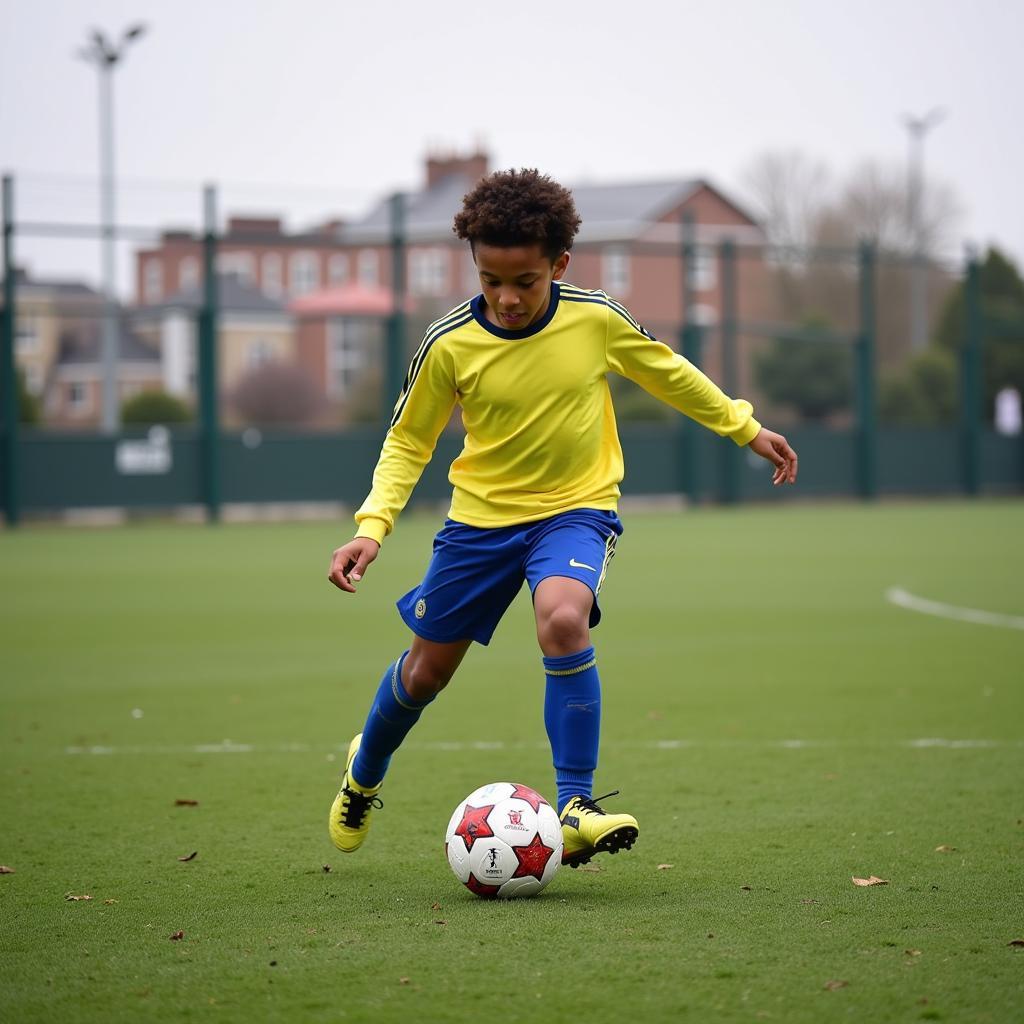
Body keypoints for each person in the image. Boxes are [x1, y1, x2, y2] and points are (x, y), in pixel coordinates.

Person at [327, 169, 798, 868]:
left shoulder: (595, 317)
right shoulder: (448, 341)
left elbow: (667, 371)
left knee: (564, 617)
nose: (508, 298)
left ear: (560, 265)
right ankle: (364, 774)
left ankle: (575, 804)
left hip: (576, 512)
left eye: (525, 280)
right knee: (425, 675)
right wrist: (372, 528)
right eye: (491, 280)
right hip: (478, 526)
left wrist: (743, 427)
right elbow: (408, 441)